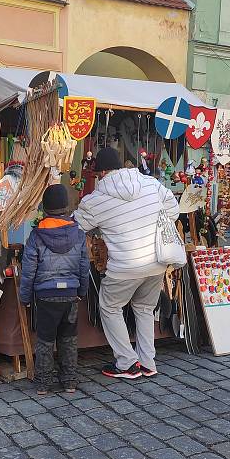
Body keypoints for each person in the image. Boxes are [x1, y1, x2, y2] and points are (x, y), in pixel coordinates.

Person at [74, 147, 179, 379]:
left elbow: (77, 226)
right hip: (157, 260)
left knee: (110, 306)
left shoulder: (96, 200)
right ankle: (147, 362)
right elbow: (173, 210)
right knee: (144, 309)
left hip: (125, 265)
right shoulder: (151, 183)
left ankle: (127, 363)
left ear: (101, 174)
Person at [19, 184, 89, 395]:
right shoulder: (78, 234)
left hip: (45, 296)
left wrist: (25, 297)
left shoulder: (37, 235)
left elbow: (29, 271)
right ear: (66, 207)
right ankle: (69, 382)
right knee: (68, 339)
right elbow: (83, 267)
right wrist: (82, 291)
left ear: (45, 208)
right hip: (70, 295)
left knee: (45, 340)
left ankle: (43, 384)